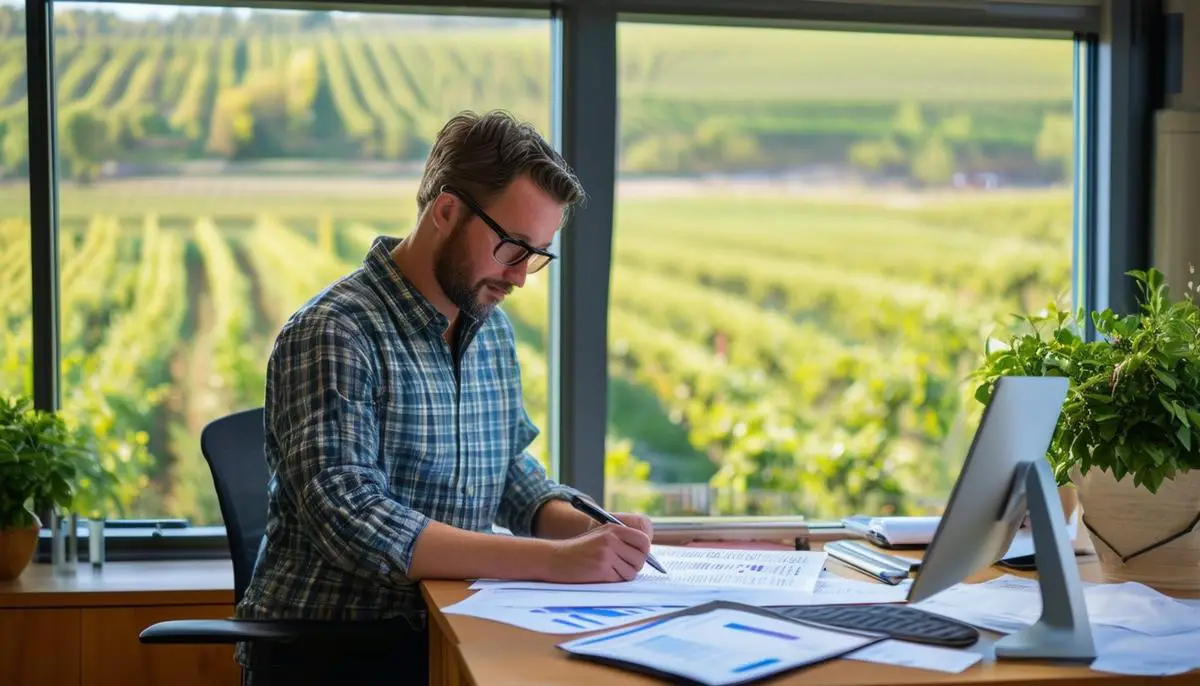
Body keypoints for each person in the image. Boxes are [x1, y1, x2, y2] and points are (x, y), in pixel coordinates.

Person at [234, 110, 655, 686]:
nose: (521, 277)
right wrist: (554, 562)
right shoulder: (335, 331)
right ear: (447, 211)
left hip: (453, 628)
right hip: (337, 649)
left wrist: (585, 530)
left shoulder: (491, 327)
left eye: (537, 254)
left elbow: (508, 471)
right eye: (511, 246)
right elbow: (355, 520)